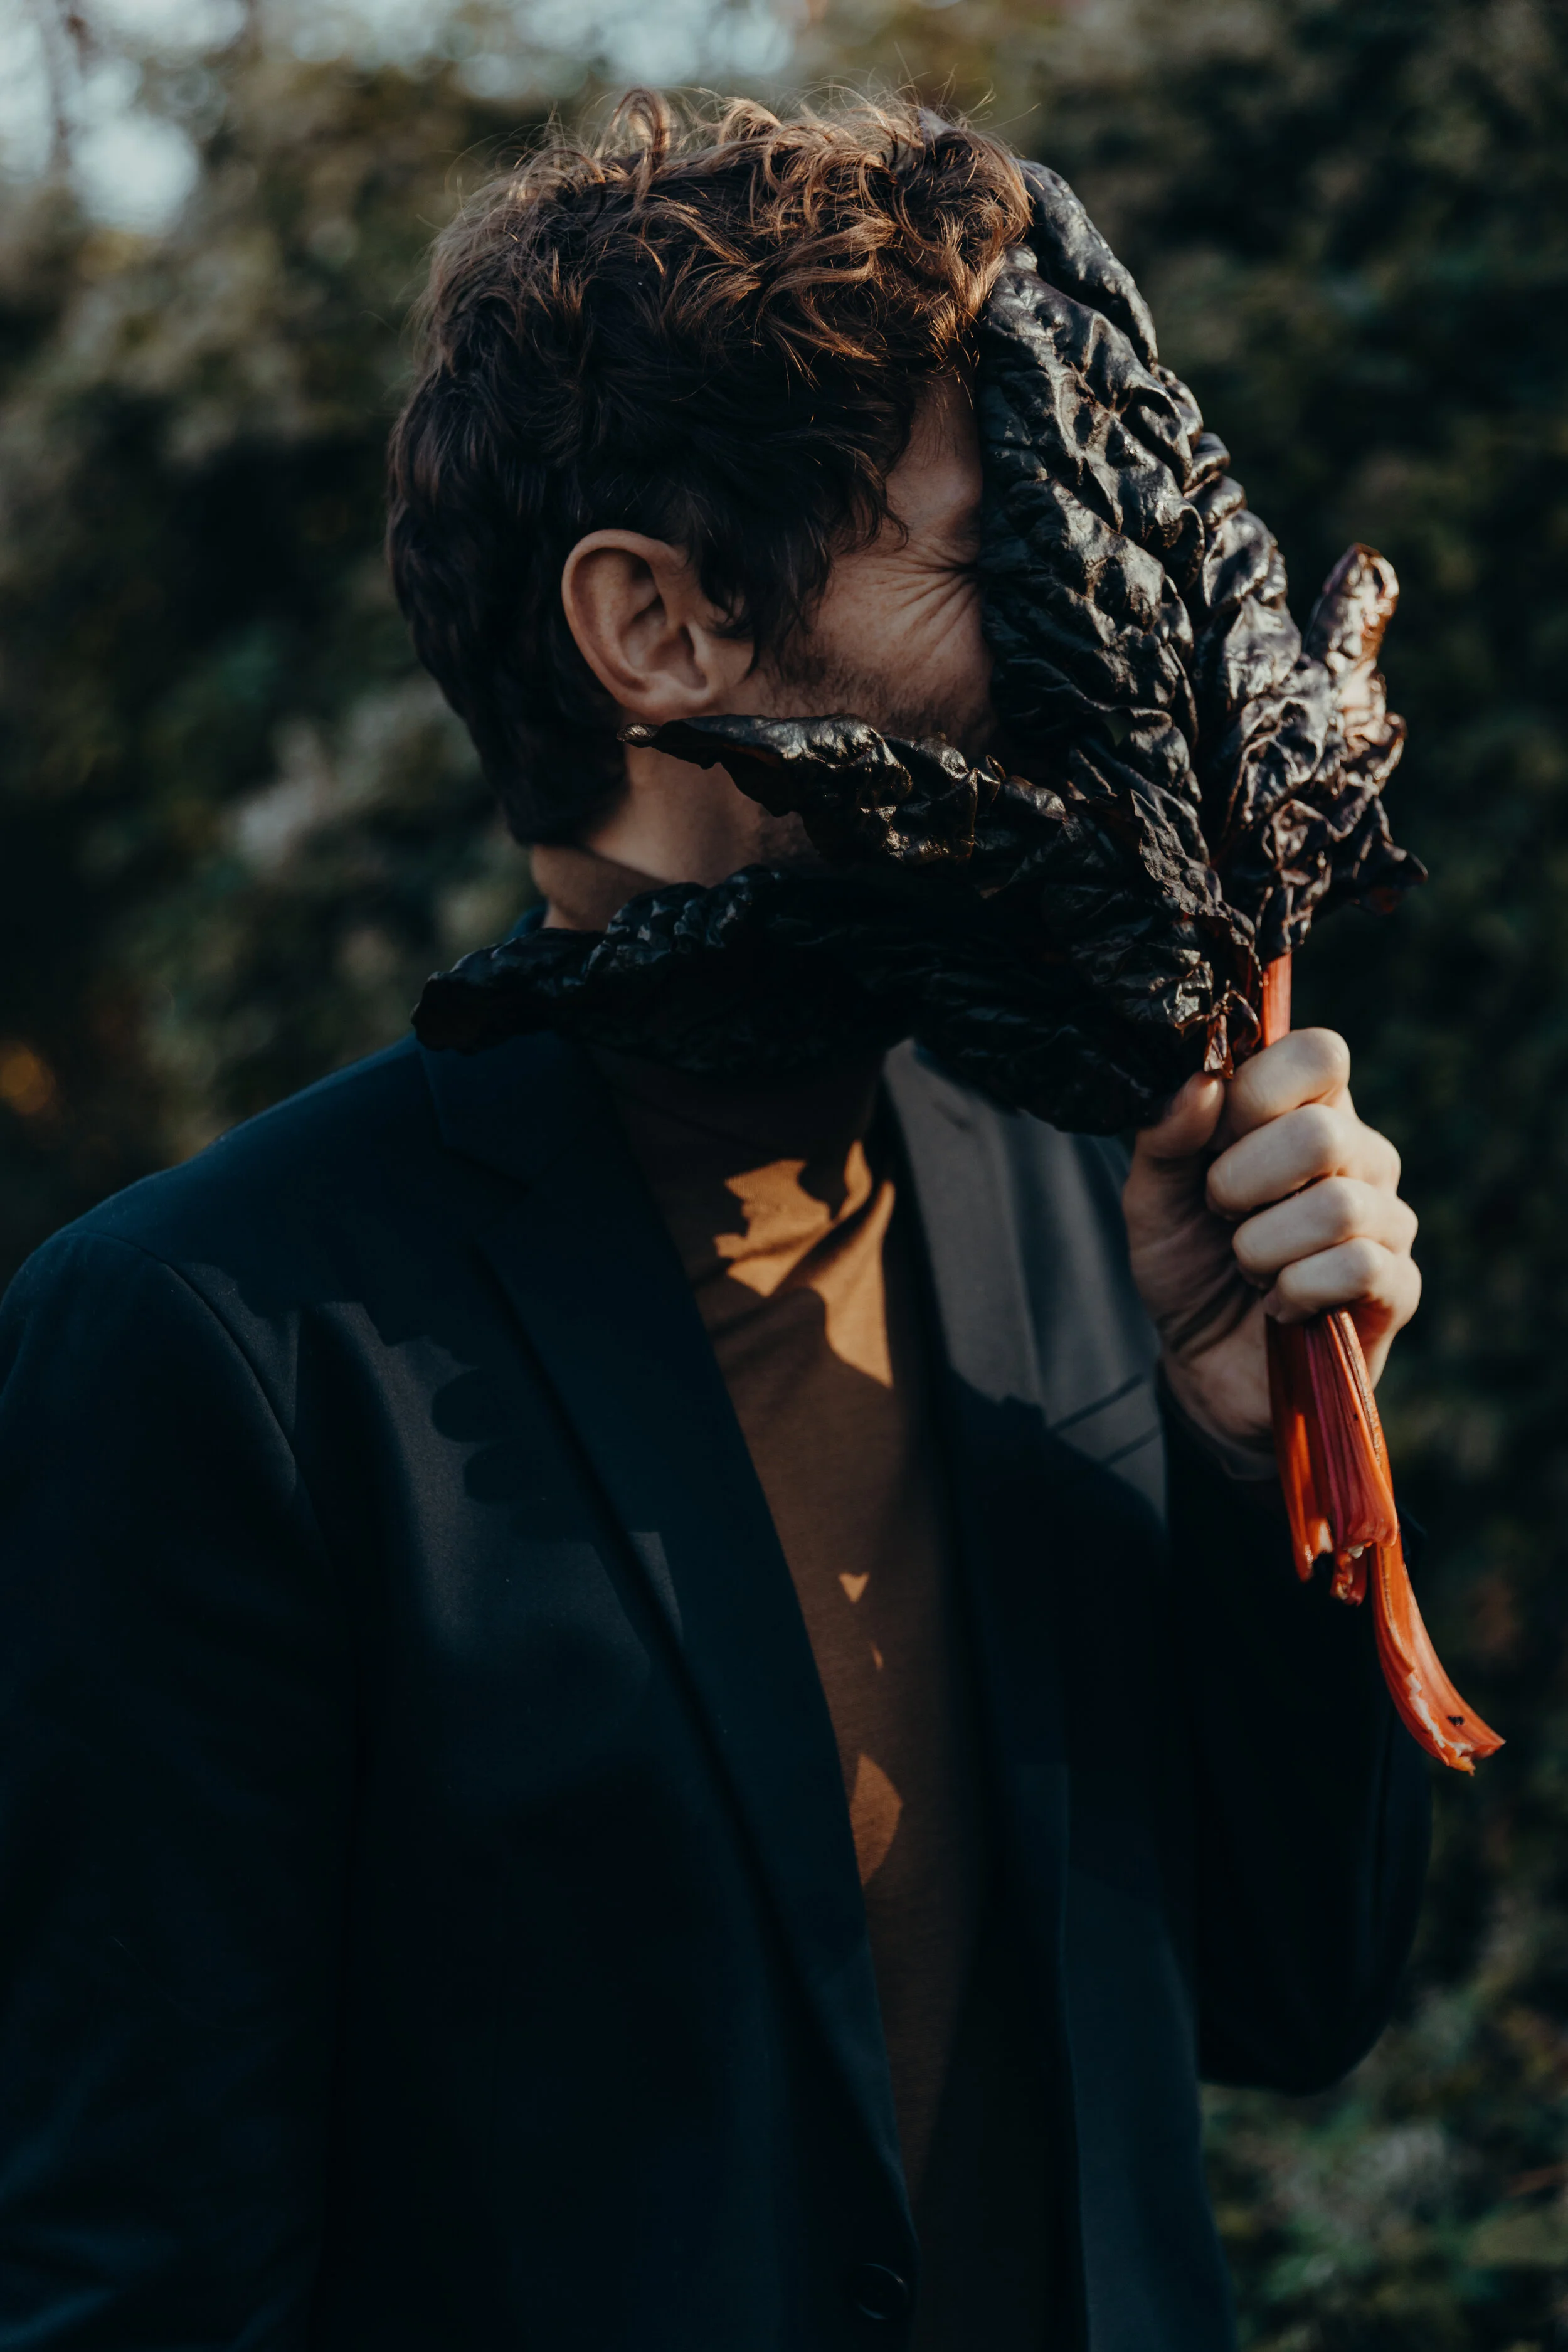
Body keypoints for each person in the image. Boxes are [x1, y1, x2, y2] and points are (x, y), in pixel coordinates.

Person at [0, 92, 1430, 2352]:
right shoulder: (215, 1342)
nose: (1104, 649)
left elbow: (1293, 1987)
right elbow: (144, 2278)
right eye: (994, 565)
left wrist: (1263, 1452)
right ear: (653, 626)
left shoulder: (1085, 1191)